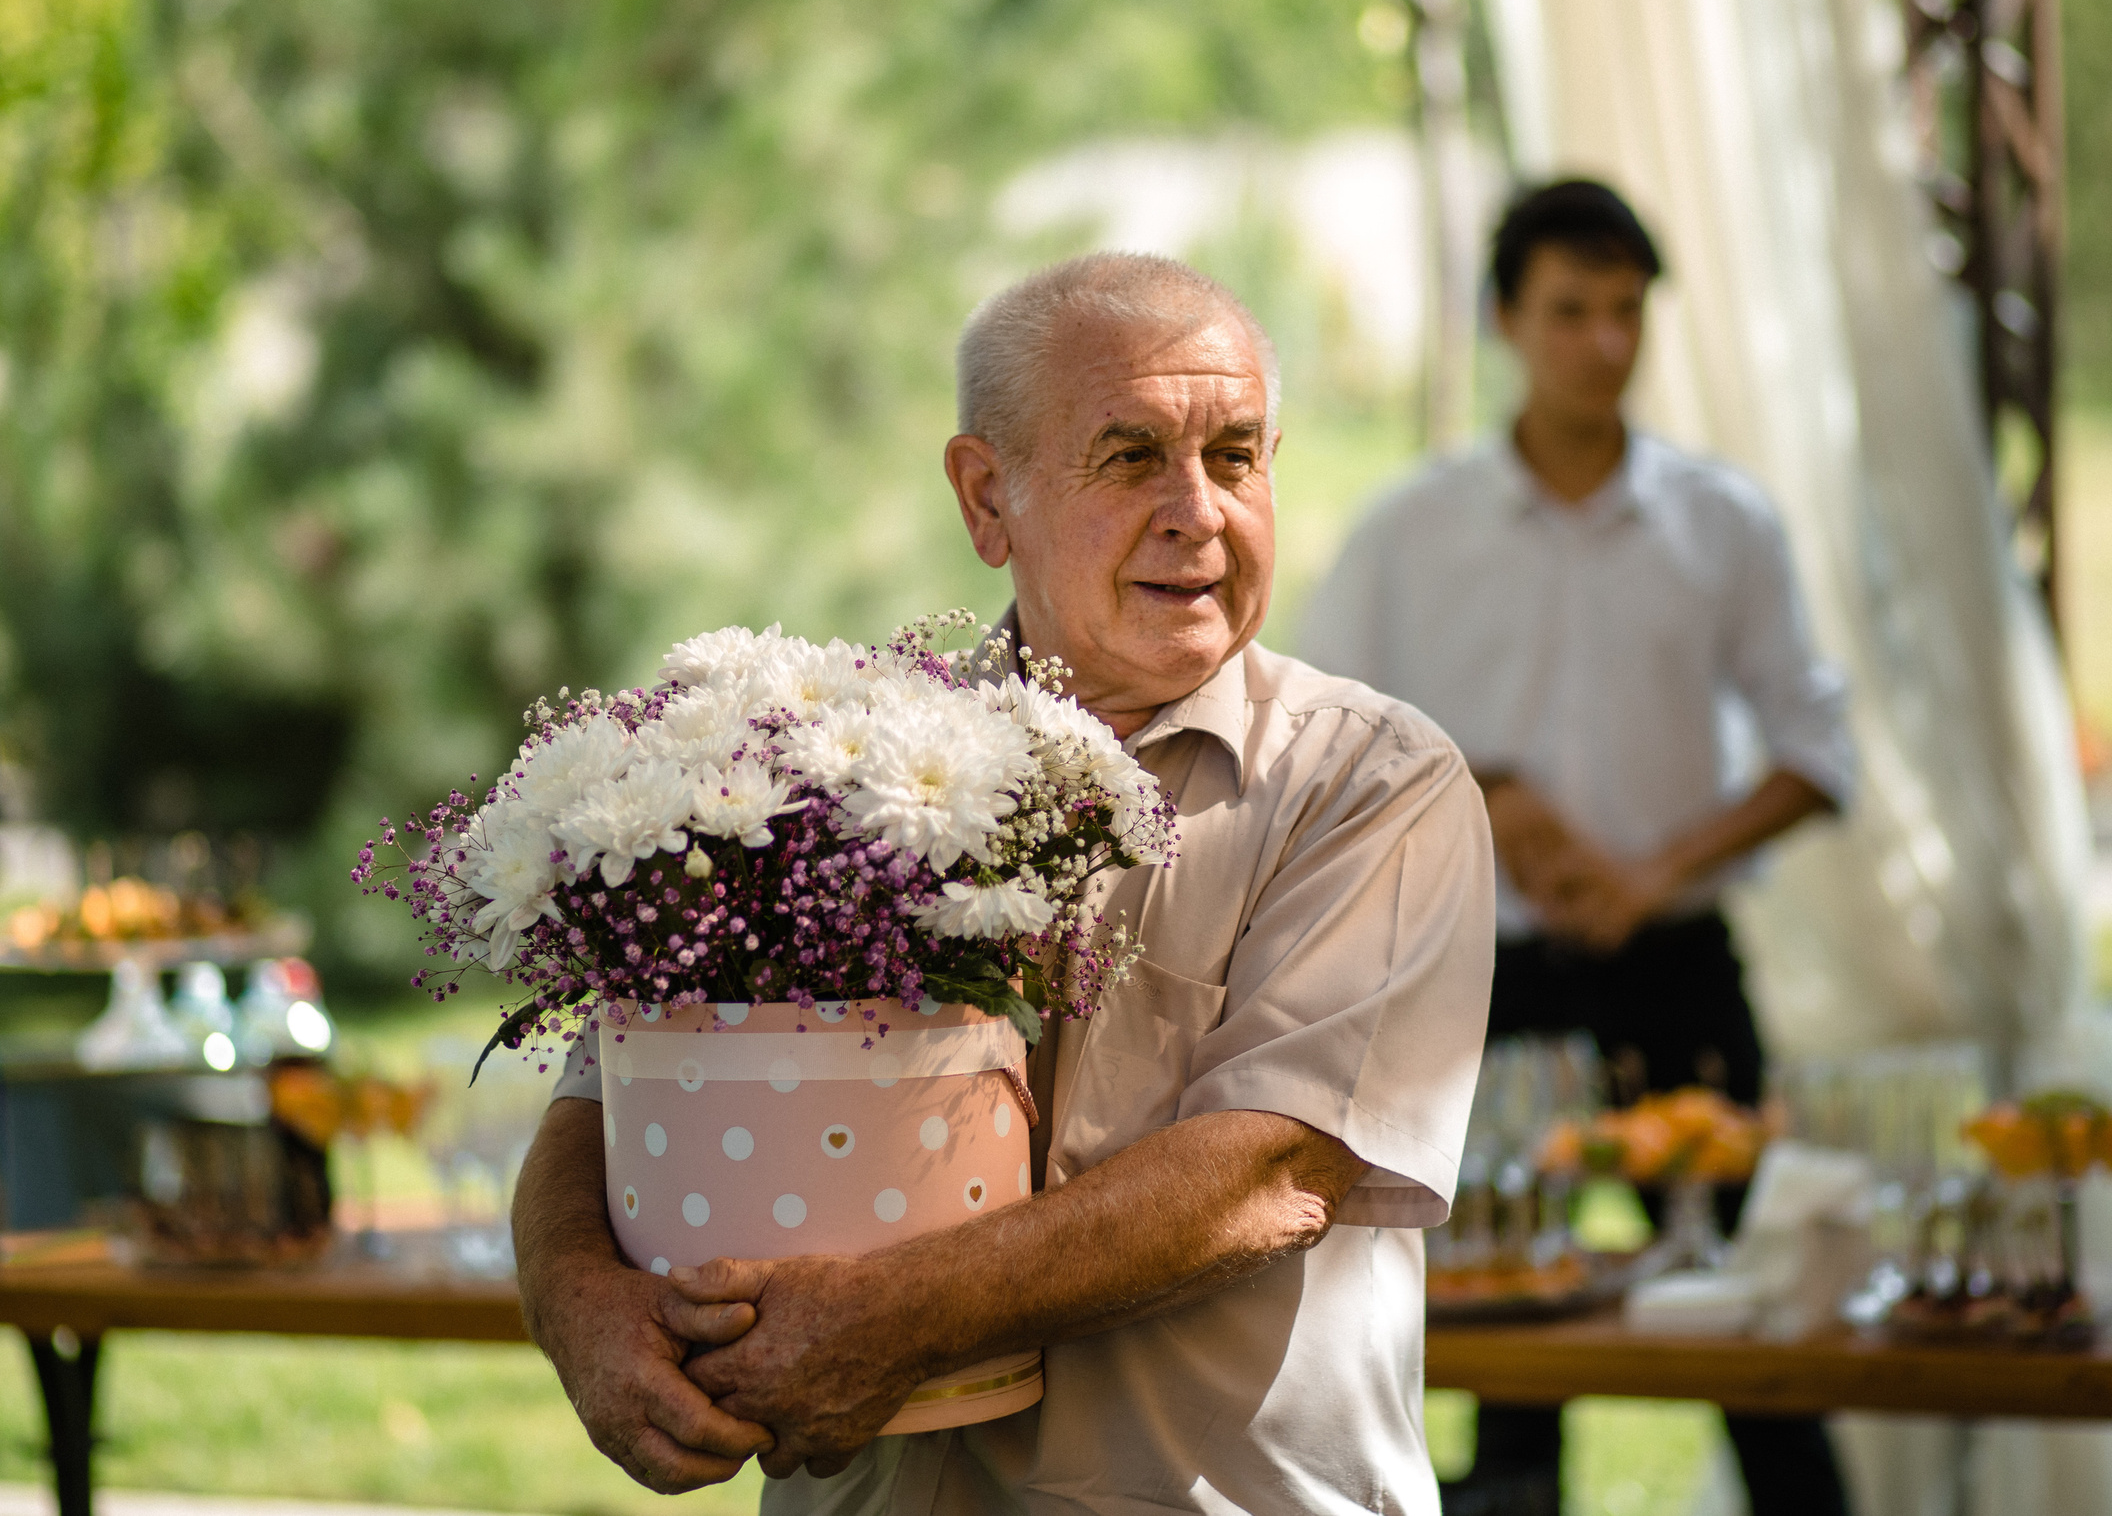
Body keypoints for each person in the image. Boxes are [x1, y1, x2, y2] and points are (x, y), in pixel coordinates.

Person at [509, 253, 1497, 1515]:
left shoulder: (1370, 783)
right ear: (988, 500)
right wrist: (582, 1306)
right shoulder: (824, 761)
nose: (1198, 511)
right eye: (1131, 457)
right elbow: (603, 1087)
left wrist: (889, 1322)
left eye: (1237, 456)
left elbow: (1269, 1173)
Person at [1295, 180, 1856, 1516]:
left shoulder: (1724, 519)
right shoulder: (1406, 529)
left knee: (1760, 1320)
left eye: (1626, 311)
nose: (1603, 342)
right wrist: (1481, 794)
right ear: (1504, 319)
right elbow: (1314, 747)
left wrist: (1662, 868)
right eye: (1569, 311)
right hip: (1487, 988)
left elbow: (1819, 748)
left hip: (1682, 969)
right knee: (1505, 1331)